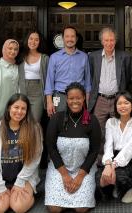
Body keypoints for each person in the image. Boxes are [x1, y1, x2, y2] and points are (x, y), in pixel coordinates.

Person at [45, 82, 101, 213]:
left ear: (83, 99)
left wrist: (80, 176)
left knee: (81, 209)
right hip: (59, 169)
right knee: (54, 209)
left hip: (83, 169)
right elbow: (51, 148)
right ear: (67, 99)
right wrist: (64, 175)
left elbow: (94, 151)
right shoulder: (56, 119)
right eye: (71, 98)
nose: (75, 101)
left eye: (78, 98)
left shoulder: (92, 120)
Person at [0, 93, 43, 213]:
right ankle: (8, 194)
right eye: (16, 107)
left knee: (18, 208)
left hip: (24, 179)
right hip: (1, 178)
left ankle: (23, 195)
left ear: (27, 111)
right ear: (9, 108)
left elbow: (35, 158)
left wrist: (20, 182)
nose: (19, 111)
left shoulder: (34, 129)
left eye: (23, 108)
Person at [88, 27, 132, 163]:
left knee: (118, 129)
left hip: (117, 100)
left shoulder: (124, 56)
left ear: (115, 41)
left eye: (111, 40)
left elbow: (128, 77)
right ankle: (101, 158)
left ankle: (116, 159)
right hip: (100, 99)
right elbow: (91, 77)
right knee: (98, 130)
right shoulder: (93, 57)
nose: (109, 43)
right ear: (102, 41)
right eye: (106, 40)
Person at [95, 91, 132, 203]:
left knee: (118, 175)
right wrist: (108, 164)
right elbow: (108, 145)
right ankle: (114, 187)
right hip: (113, 156)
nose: (122, 106)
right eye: (119, 103)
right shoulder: (110, 122)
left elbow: (130, 148)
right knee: (99, 177)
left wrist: (113, 166)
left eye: (126, 103)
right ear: (115, 106)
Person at [44, 26, 91, 117]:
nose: (70, 39)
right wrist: (49, 102)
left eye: (72, 36)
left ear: (76, 39)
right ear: (63, 38)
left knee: (77, 125)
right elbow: (49, 82)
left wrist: (88, 104)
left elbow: (87, 82)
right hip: (59, 97)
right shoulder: (54, 57)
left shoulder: (84, 57)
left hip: (77, 98)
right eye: (67, 36)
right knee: (58, 125)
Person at [18, 31, 49, 122]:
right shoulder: (21, 56)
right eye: (31, 39)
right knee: (22, 121)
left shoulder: (45, 58)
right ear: (27, 40)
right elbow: (9, 63)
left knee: (35, 122)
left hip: (38, 93)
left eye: (36, 40)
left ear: (40, 42)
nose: (33, 42)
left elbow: (49, 78)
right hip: (23, 91)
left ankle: (35, 137)